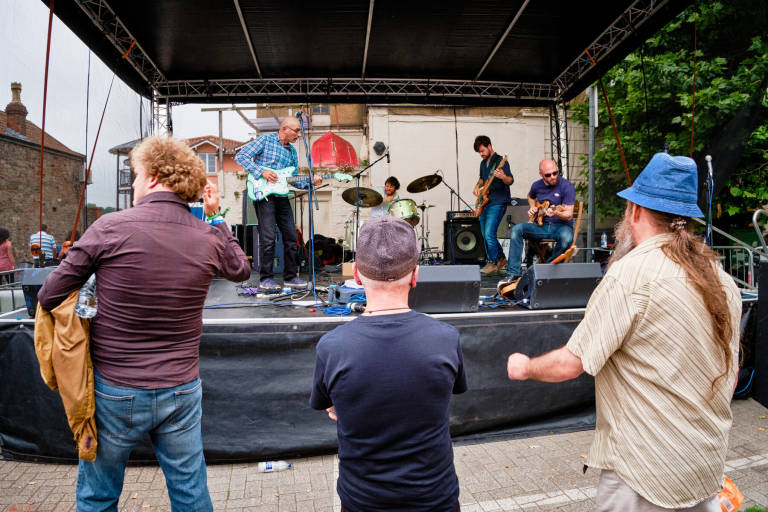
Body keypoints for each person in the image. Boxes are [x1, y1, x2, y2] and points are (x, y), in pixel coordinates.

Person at [506, 153, 742, 512]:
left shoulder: (629, 275)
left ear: (634, 210)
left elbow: (572, 364)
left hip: (643, 473)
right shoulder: (723, 280)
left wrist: (526, 367)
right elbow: (732, 369)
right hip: (704, 465)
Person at [37, 136, 251, 512]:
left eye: (135, 176)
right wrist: (215, 215)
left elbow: (49, 293)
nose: (133, 184)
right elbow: (240, 269)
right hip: (182, 389)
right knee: (190, 491)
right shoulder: (207, 236)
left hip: (116, 390)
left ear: (152, 177)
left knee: (98, 495)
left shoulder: (110, 227)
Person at [310, 216, 468, 512]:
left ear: (355, 275)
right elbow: (446, 392)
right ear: (416, 275)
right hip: (435, 499)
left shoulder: (332, 347)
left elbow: (329, 405)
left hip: (363, 501)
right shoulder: (446, 338)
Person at [235, 116, 321, 293]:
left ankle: (290, 277)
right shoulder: (266, 140)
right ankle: (265, 279)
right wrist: (262, 171)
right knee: (267, 237)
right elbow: (241, 156)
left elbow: (292, 180)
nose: (299, 134)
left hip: (282, 195)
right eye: (296, 131)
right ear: (284, 129)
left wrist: (310, 182)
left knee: (291, 235)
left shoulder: (292, 153)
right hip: (263, 194)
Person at [500, 158, 575, 288]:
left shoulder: (566, 186)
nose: (552, 177)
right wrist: (533, 208)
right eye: (548, 175)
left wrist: (556, 213)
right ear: (541, 174)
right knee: (516, 230)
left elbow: (568, 214)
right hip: (541, 225)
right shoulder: (536, 185)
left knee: (567, 237)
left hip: (561, 226)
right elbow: (530, 196)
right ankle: (513, 273)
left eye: (555, 173)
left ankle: (546, 269)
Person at [472, 135, 513, 274]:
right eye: (479, 152)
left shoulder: (500, 161)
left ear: (489, 146)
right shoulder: (483, 163)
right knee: (485, 233)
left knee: (489, 233)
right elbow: (482, 179)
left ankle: (493, 262)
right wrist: (477, 186)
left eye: (483, 151)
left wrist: (503, 177)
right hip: (485, 201)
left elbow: (510, 180)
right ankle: (501, 258)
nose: (481, 154)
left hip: (498, 201)